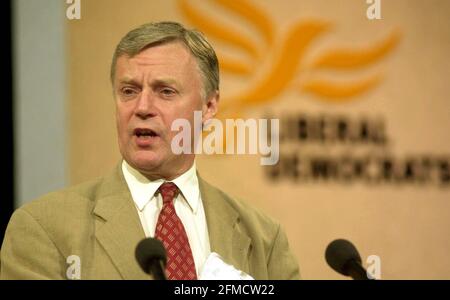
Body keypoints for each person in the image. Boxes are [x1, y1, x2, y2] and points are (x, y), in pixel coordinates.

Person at [0, 21, 299, 280]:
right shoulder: (44, 228)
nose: (142, 108)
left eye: (165, 91)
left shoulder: (264, 238)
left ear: (208, 106)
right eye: (128, 91)